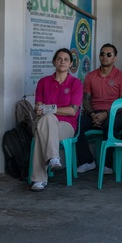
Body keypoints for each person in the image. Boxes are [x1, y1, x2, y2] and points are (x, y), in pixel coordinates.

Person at [30, 48, 83, 191]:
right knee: (47, 120)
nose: (62, 62)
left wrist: (51, 109)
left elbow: (73, 111)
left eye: (66, 59)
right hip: (44, 121)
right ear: (54, 62)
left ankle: (39, 179)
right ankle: (54, 158)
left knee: (42, 133)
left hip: (66, 125)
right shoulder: (43, 82)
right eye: (59, 59)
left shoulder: (76, 83)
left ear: (71, 63)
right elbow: (39, 105)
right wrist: (39, 109)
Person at [76, 43, 122, 174]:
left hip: (114, 114)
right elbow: (86, 100)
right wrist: (92, 114)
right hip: (93, 114)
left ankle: (107, 165)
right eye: (102, 54)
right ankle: (87, 161)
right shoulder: (91, 76)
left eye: (108, 55)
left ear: (115, 58)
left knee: (110, 126)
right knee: (76, 124)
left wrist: (106, 114)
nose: (104, 57)